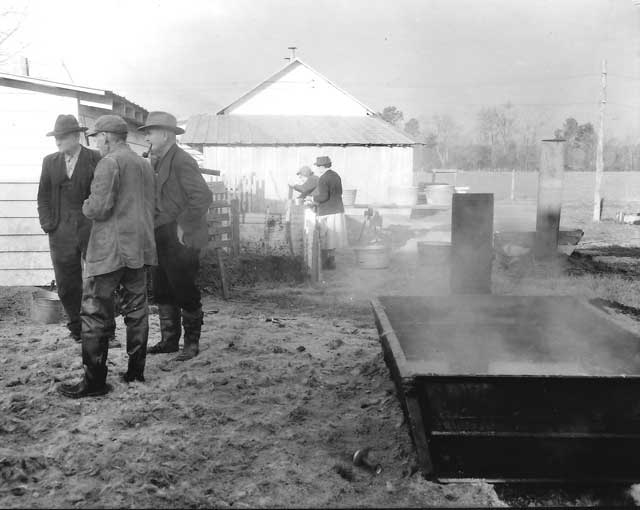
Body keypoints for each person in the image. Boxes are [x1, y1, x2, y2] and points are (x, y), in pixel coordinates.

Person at [57, 115, 157, 398]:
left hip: (110, 250)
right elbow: (153, 206)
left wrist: (86, 205)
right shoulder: (144, 165)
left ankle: (94, 382)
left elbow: (98, 208)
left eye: (97, 137)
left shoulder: (109, 163)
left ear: (106, 137)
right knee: (137, 311)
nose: (96, 143)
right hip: (140, 249)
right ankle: (135, 374)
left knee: (93, 312)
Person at [140, 111, 213, 361]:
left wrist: (183, 224)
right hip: (161, 233)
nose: (146, 136)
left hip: (181, 237)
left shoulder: (181, 160)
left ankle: (191, 344)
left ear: (165, 134)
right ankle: (169, 341)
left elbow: (202, 196)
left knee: (184, 289)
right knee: (162, 288)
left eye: (150, 131)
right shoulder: (158, 159)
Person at [37, 115, 102, 342]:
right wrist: (48, 225)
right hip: (60, 232)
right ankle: (77, 329)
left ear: (76, 136)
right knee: (66, 284)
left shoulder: (96, 158)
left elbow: (102, 193)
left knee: (98, 279)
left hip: (91, 229)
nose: (58, 142)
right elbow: (43, 196)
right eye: (56, 137)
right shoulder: (50, 162)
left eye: (62, 137)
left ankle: (103, 330)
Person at [313, 156, 347, 270]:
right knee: (333, 238)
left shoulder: (323, 178)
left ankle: (324, 263)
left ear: (322, 166)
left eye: (318, 166)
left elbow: (323, 197)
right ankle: (331, 262)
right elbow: (340, 192)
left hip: (327, 211)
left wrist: (312, 199)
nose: (317, 169)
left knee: (324, 237)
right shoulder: (336, 175)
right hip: (338, 209)